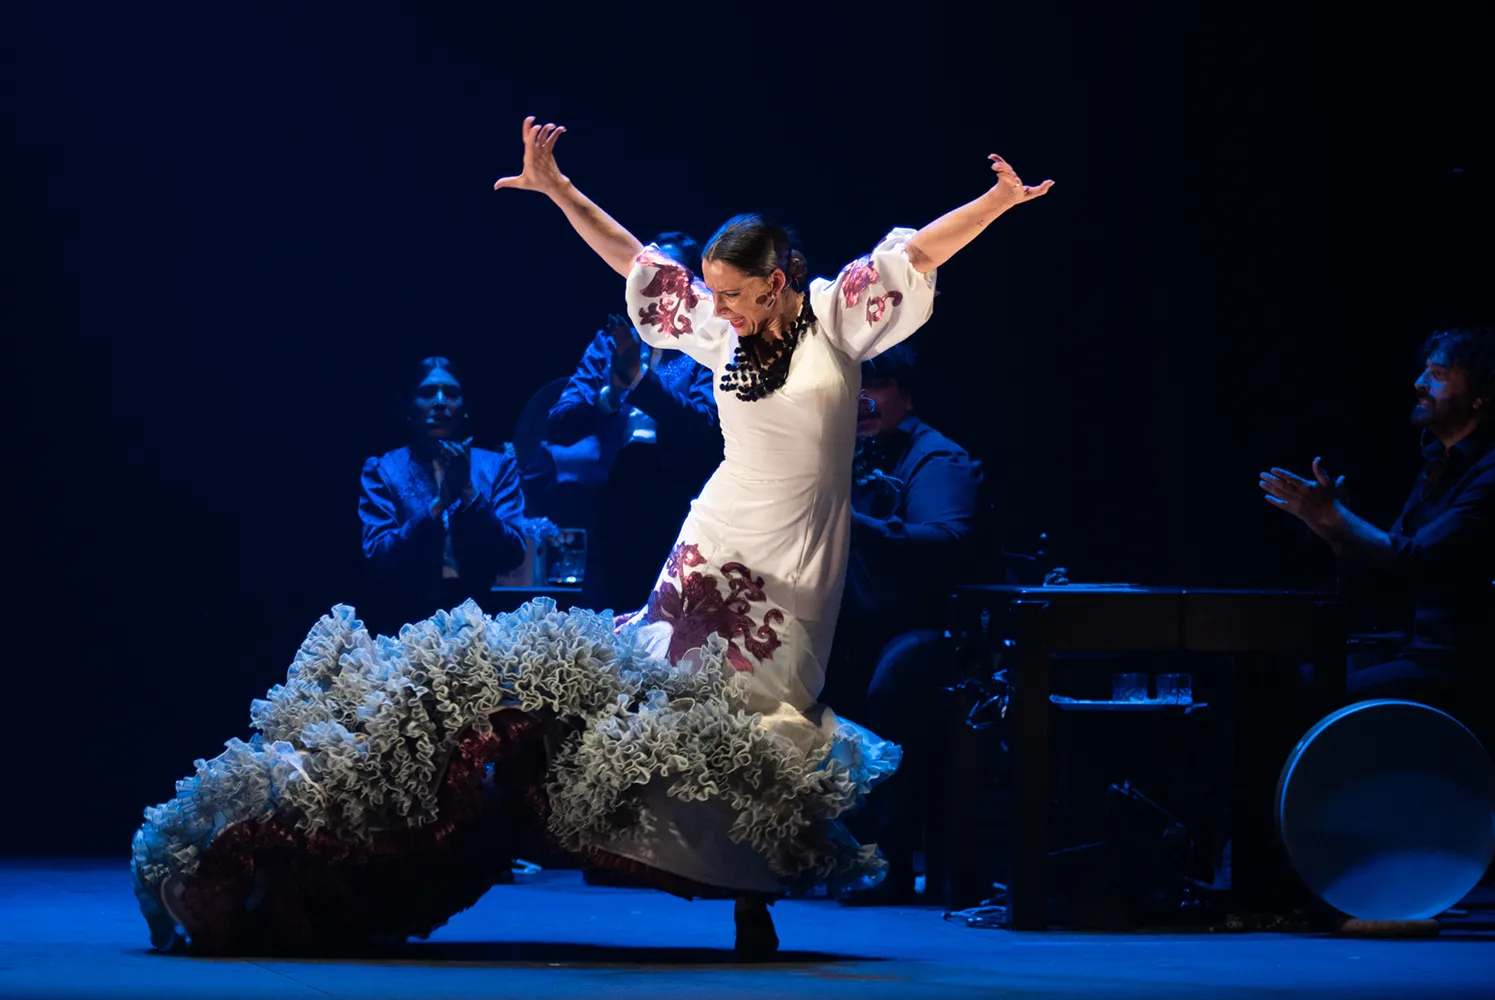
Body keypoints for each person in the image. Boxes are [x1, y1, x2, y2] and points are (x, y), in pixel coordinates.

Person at [130, 115, 1052, 960]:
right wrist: (559, 188)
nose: (720, 308)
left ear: (777, 281)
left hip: (799, 557)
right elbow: (638, 262)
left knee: (765, 714)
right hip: (717, 538)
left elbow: (917, 252)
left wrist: (998, 202)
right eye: (714, 294)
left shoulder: (836, 320)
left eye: (735, 294)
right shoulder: (718, 331)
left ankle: (749, 892)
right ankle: (691, 882)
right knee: (670, 692)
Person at [1260, 325, 1495, 713]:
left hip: (1453, 662)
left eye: (1438, 374)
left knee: (1302, 697)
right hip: (1406, 648)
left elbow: (1416, 558)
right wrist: (1331, 529)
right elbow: (1385, 574)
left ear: (1481, 394)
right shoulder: (1438, 467)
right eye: (1424, 371)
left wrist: (1338, 518)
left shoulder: (1493, 471)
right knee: (1274, 681)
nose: (1419, 383)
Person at [825, 344, 984, 904]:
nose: (862, 398)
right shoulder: (843, 452)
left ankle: (889, 861)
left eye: (876, 384)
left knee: (899, 675)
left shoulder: (936, 459)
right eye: (854, 385)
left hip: (932, 631)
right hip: (860, 628)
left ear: (907, 396)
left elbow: (945, 540)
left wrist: (849, 520)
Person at [545, 234, 722, 613]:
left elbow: (706, 427)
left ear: (695, 285)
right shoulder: (613, 342)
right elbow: (559, 423)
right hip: (613, 502)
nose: (657, 287)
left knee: (667, 629)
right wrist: (611, 392)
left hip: (680, 505)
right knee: (604, 625)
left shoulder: (708, 345)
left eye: (670, 277)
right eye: (648, 276)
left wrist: (640, 380)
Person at [358, 357, 529, 631]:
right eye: (427, 392)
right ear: (408, 405)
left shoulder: (496, 467)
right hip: (405, 623)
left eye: (451, 393)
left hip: (483, 620)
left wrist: (469, 493)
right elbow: (378, 559)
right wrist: (436, 507)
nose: (440, 402)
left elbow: (514, 553)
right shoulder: (383, 470)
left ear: (464, 407)